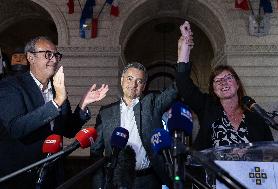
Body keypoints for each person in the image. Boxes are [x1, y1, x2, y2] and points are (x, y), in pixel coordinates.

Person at [0, 36, 109, 189]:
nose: (54, 59)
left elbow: (68, 130)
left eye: (56, 55)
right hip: (19, 177)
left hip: (53, 176)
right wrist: (56, 101)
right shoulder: (10, 86)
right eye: (47, 54)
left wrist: (83, 104)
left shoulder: (57, 89)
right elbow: (16, 129)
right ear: (31, 57)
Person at [175, 21, 273, 151]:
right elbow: (183, 83)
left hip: (248, 171)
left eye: (228, 78)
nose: (223, 82)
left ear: (237, 84)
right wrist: (185, 48)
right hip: (213, 171)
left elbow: (269, 152)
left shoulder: (255, 117)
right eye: (217, 81)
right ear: (214, 90)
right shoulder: (207, 107)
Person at [90, 62, 177, 189]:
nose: (133, 84)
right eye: (129, 78)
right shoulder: (106, 112)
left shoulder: (152, 104)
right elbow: (95, 152)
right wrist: (98, 185)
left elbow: (175, 89)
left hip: (148, 180)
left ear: (143, 86)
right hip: (115, 180)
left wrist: (183, 56)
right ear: (122, 80)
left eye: (139, 81)